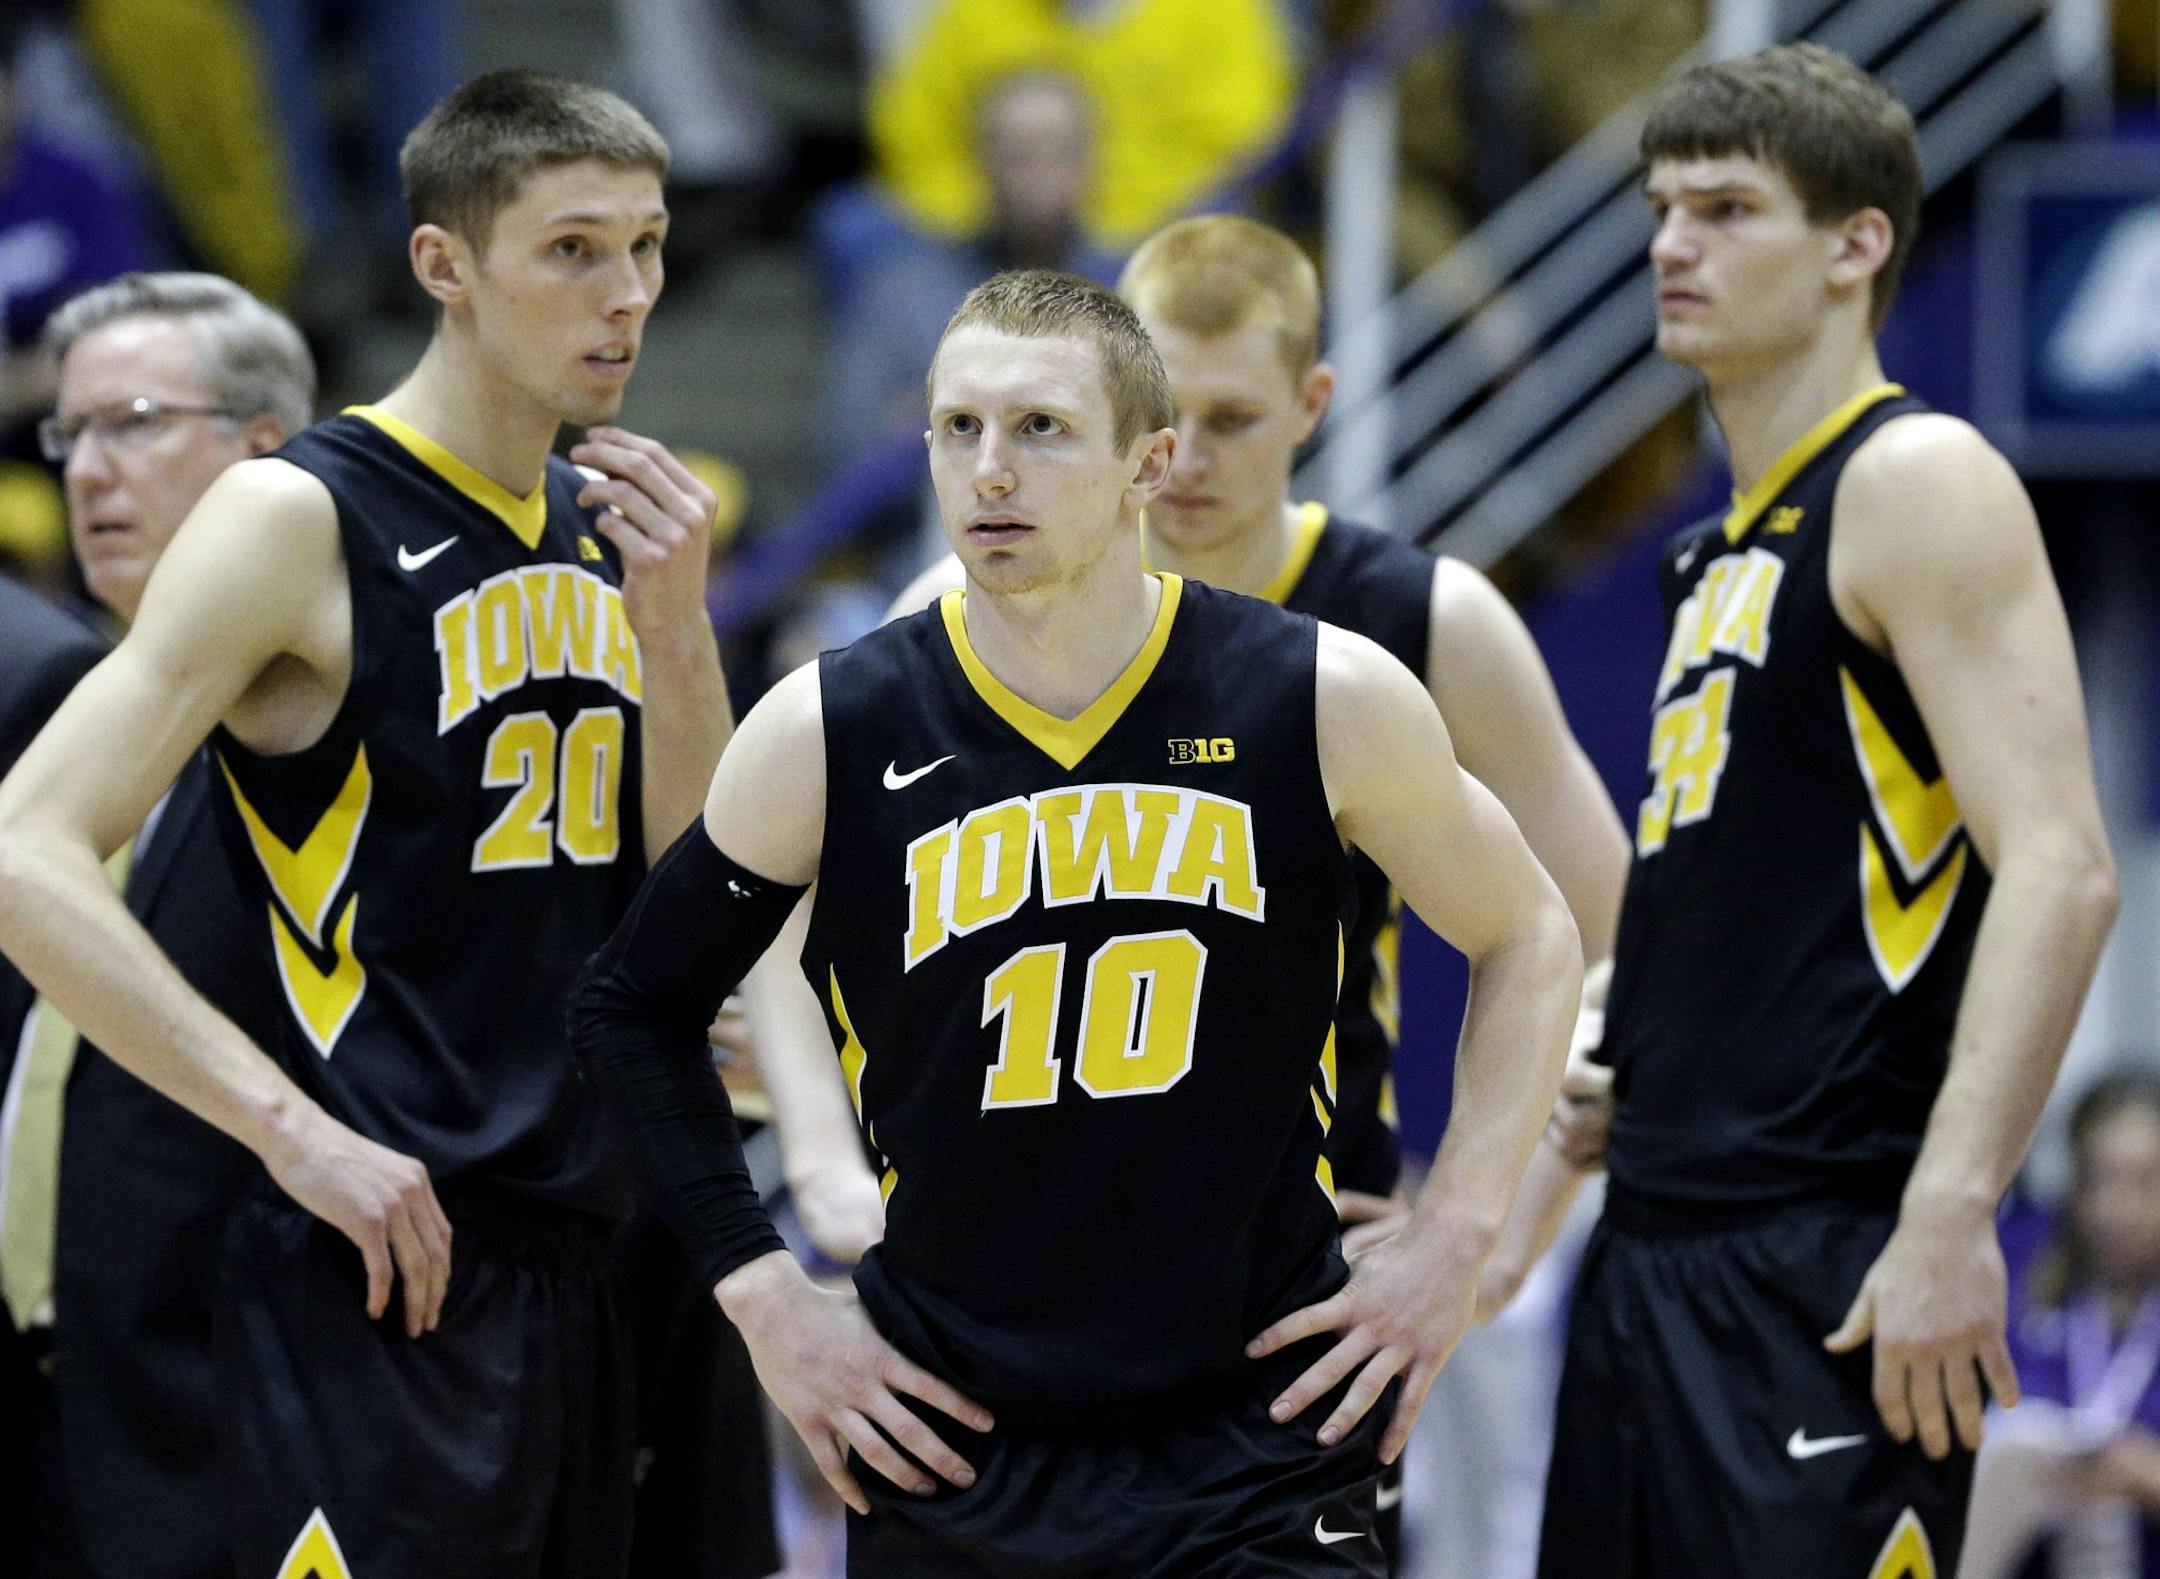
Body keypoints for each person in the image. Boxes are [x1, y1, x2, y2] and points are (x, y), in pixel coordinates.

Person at [571, 268, 1584, 1576]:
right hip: (954, 1441)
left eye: (1041, 428)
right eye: (958, 428)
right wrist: (765, 1296)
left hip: (1257, 1435)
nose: (991, 469)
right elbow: (630, 1003)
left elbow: (1533, 934)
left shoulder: (1318, 693)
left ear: (1146, 462)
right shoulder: (836, 722)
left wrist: (1460, 1234)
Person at [0, 71, 732, 1577]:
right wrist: (290, 1131)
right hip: (383, 1271)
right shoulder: (298, 515)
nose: (628, 296)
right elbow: (22, 850)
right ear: (443, 265)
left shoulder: (611, 530)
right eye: (574, 249)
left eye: (648, 247)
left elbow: (694, 901)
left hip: (579, 1267)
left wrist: (678, 633)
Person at [842, 211, 1630, 1565]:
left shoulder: (1415, 621)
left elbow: (1606, 940)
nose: (1192, 460)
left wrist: (1489, 1230)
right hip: (1012, 1299)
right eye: (1172, 413)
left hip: (1299, 1289)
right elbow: (774, 927)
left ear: (1313, 406)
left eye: (1235, 416)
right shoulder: (950, 616)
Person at [1520, 42, 2119, 1579]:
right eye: (1661, 208)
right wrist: (1636, 1066)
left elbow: (2060, 870)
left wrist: (1952, 1208)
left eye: (1725, 209)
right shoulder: (1713, 547)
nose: (1670, 245)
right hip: (1656, 1242)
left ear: (1856, 245)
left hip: (1829, 1253)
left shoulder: (1916, 478)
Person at [29, 272, 311, 1579]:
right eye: (69, 433)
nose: (91, 470)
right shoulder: (62, 718)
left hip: (245, 1418)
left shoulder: (343, 729)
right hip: (62, 1393)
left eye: (135, 421)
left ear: (265, 448)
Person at [1961, 1072, 2160, 1579]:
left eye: (2144, 1181)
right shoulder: (2016, 1261)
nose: (2116, 1210)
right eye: (2099, 1178)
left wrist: (2146, 1477)